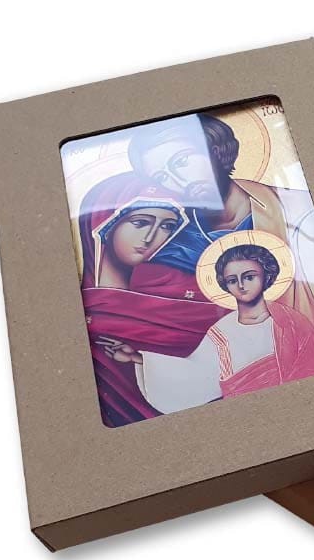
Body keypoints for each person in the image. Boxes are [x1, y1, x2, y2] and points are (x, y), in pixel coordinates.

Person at [126, 113, 314, 369]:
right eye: (162, 177)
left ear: (215, 150)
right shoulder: (174, 251)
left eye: (181, 161)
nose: (179, 181)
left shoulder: (300, 209)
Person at [100, 243, 314, 412]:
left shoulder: (291, 322)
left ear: (267, 276)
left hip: (303, 409)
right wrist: (137, 358)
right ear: (224, 284)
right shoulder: (222, 331)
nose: (241, 285)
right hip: (248, 419)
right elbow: (197, 375)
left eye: (249, 277)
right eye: (232, 280)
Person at [76, 173, 226, 426]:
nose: (150, 237)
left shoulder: (184, 287)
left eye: (167, 226)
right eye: (140, 222)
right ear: (105, 223)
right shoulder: (83, 312)